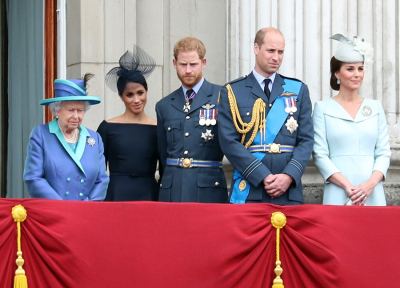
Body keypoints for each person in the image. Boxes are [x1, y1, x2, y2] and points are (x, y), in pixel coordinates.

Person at [218, 27, 314, 205]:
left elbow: (306, 140)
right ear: (256, 48)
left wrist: (288, 176)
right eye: (271, 51)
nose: (276, 57)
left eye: (280, 52)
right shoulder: (233, 91)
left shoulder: (297, 90)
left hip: (288, 191)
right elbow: (228, 141)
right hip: (250, 188)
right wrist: (262, 175)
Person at [313, 34, 391, 206]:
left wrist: (368, 186)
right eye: (350, 69)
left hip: (372, 192)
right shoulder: (322, 108)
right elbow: (319, 154)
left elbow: (384, 153)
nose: (357, 74)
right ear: (337, 73)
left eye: (360, 69)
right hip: (338, 190)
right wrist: (347, 186)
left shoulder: (376, 107)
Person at [155, 36, 228, 202]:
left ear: (204, 62)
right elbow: (163, 153)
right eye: (183, 64)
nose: (188, 70)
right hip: (173, 189)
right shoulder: (164, 105)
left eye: (193, 64)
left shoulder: (222, 97)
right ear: (174, 63)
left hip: (209, 189)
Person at [23, 74, 109, 200]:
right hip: (54, 212)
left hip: (86, 213)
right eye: (71, 110)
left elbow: (102, 180)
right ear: (57, 110)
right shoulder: (41, 135)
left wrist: (90, 204)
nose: (76, 116)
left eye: (80, 110)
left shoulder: (94, 138)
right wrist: (62, 207)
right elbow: (33, 178)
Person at [97, 46, 159, 201]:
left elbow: (165, 169)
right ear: (121, 96)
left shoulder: (158, 128)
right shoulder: (107, 127)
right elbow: (98, 170)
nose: (136, 100)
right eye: (129, 95)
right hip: (115, 195)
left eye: (140, 93)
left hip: (150, 195)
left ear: (147, 91)